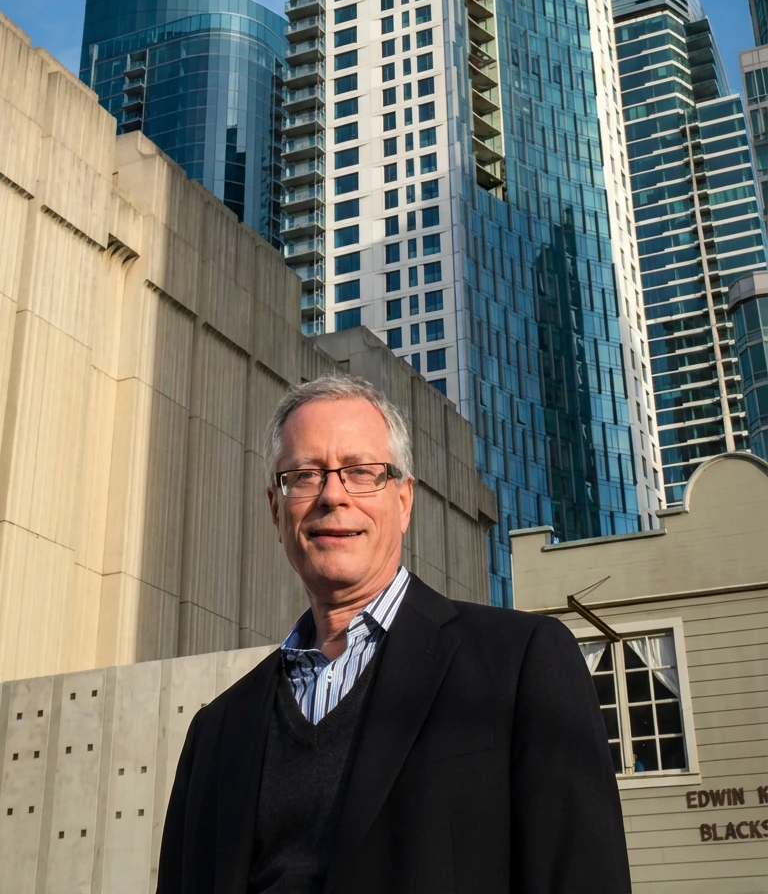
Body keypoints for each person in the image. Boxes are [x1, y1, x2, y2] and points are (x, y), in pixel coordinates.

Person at [157, 373, 632, 894]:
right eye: (306, 475)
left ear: (404, 501)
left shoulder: (521, 664)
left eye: (361, 472)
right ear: (277, 507)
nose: (332, 495)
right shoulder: (216, 730)